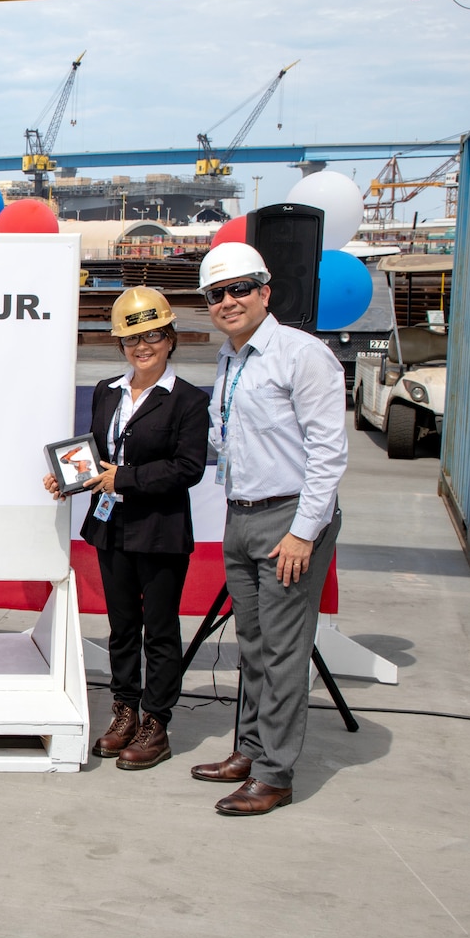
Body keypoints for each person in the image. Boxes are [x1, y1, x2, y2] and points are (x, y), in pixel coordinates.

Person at [191, 242, 347, 815]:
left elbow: (329, 452)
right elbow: (224, 436)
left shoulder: (301, 355)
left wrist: (304, 532)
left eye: (239, 289)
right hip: (243, 513)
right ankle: (250, 749)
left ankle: (275, 774)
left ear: (265, 291)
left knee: (284, 651)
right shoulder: (231, 358)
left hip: (289, 518)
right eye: (216, 294)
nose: (228, 301)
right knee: (252, 645)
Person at [44, 286, 208, 770]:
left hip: (160, 531)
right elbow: (94, 452)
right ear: (120, 345)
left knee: (158, 630)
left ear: (171, 338)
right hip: (112, 530)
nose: (143, 347)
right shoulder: (106, 392)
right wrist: (68, 478)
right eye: (132, 339)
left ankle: (156, 721)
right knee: (121, 628)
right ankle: (124, 710)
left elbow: (188, 467)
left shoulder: (188, 401)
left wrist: (126, 478)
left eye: (153, 335)